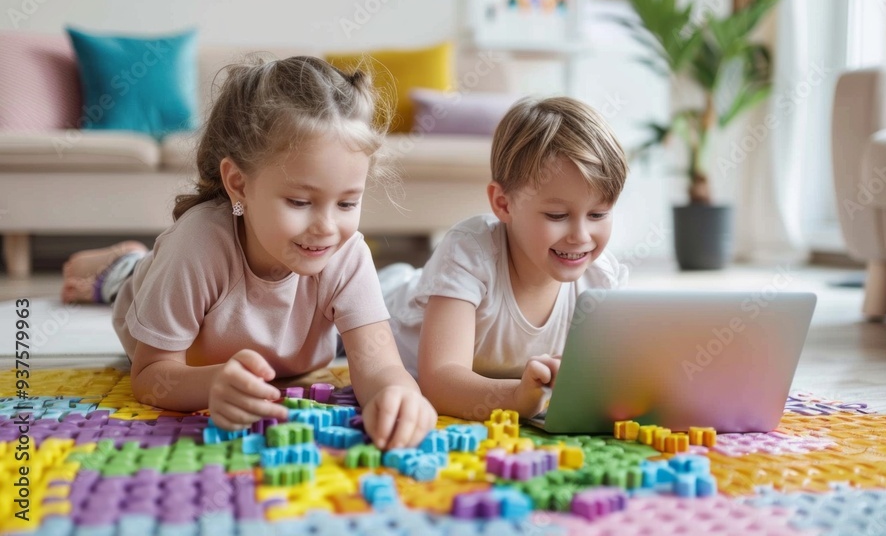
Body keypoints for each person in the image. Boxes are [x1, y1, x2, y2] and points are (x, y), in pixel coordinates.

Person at [60, 55, 437, 448]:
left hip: (257, 337)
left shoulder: (345, 254)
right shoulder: (195, 247)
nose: (327, 227)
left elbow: (380, 365)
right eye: (299, 202)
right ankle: (118, 263)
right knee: (124, 279)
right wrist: (210, 384)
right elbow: (151, 375)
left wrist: (398, 394)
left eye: (346, 204)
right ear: (239, 184)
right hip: (147, 295)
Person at [380, 96, 629, 422]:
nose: (581, 235)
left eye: (598, 213)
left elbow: (614, 377)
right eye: (557, 215)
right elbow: (439, 381)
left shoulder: (602, 278)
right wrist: (514, 398)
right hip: (383, 308)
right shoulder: (469, 252)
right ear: (503, 204)